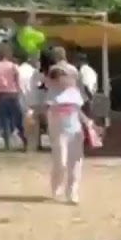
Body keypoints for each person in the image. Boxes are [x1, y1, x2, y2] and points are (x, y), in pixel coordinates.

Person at [45, 66, 87, 204]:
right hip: (59, 133)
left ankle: (72, 192)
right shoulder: (50, 94)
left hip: (75, 131)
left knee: (75, 163)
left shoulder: (75, 93)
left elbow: (78, 111)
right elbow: (45, 110)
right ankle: (56, 185)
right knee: (60, 163)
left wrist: (89, 123)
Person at [0, 44, 25, 150]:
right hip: (13, 94)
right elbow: (18, 82)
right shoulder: (13, 66)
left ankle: (7, 144)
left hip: (1, 95)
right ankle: (25, 140)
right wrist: (20, 94)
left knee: (5, 120)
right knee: (18, 119)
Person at [16, 51, 39, 148]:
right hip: (34, 98)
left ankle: (27, 142)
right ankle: (34, 143)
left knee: (24, 121)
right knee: (34, 122)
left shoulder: (18, 70)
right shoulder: (34, 71)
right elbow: (38, 85)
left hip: (21, 98)